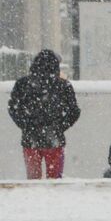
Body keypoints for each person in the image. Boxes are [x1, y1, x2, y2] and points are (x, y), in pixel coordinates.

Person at [7, 49, 80, 179]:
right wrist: (59, 127)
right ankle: (53, 198)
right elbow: (74, 111)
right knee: (55, 180)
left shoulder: (23, 84)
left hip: (30, 139)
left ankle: (34, 198)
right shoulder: (63, 86)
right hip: (55, 139)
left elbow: (13, 108)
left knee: (33, 180)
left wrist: (26, 125)